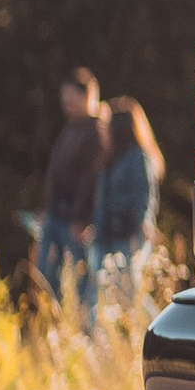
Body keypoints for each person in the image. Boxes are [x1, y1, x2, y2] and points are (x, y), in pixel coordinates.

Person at [90, 97, 164, 319]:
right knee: (105, 291)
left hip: (129, 234)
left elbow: (145, 195)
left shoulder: (137, 158)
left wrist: (143, 224)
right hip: (107, 235)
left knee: (130, 289)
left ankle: (156, 326)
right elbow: (101, 201)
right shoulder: (109, 160)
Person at [35, 68, 103, 312]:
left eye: (72, 98)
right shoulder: (69, 130)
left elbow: (90, 179)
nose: (66, 104)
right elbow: (54, 174)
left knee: (78, 279)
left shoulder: (96, 133)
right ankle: (53, 320)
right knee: (44, 274)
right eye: (64, 99)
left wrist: (80, 216)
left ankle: (80, 324)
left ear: (88, 97)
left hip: (75, 221)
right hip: (55, 215)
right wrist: (47, 208)